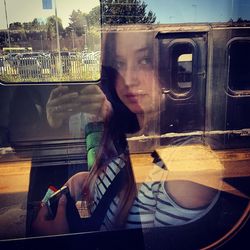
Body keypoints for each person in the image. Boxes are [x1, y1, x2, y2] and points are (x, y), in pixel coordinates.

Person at [32, 31, 222, 235]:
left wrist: (61, 242)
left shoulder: (188, 167)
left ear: (172, 67)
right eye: (120, 64)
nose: (129, 79)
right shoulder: (138, 139)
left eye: (144, 60)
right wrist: (88, 182)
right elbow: (112, 200)